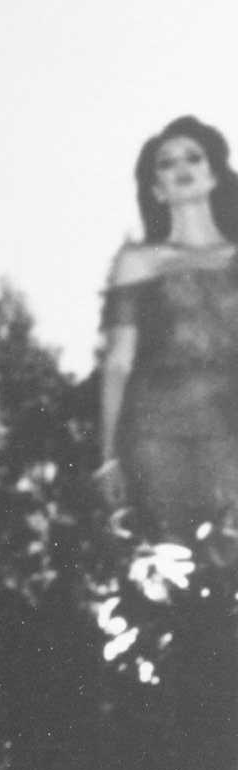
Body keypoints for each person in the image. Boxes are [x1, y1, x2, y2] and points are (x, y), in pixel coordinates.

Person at [100, 116, 238, 548]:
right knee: (174, 562)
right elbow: (119, 361)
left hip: (229, 427)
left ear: (214, 174)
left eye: (194, 157)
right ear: (156, 189)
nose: (182, 166)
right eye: (166, 163)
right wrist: (106, 458)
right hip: (157, 433)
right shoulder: (139, 261)